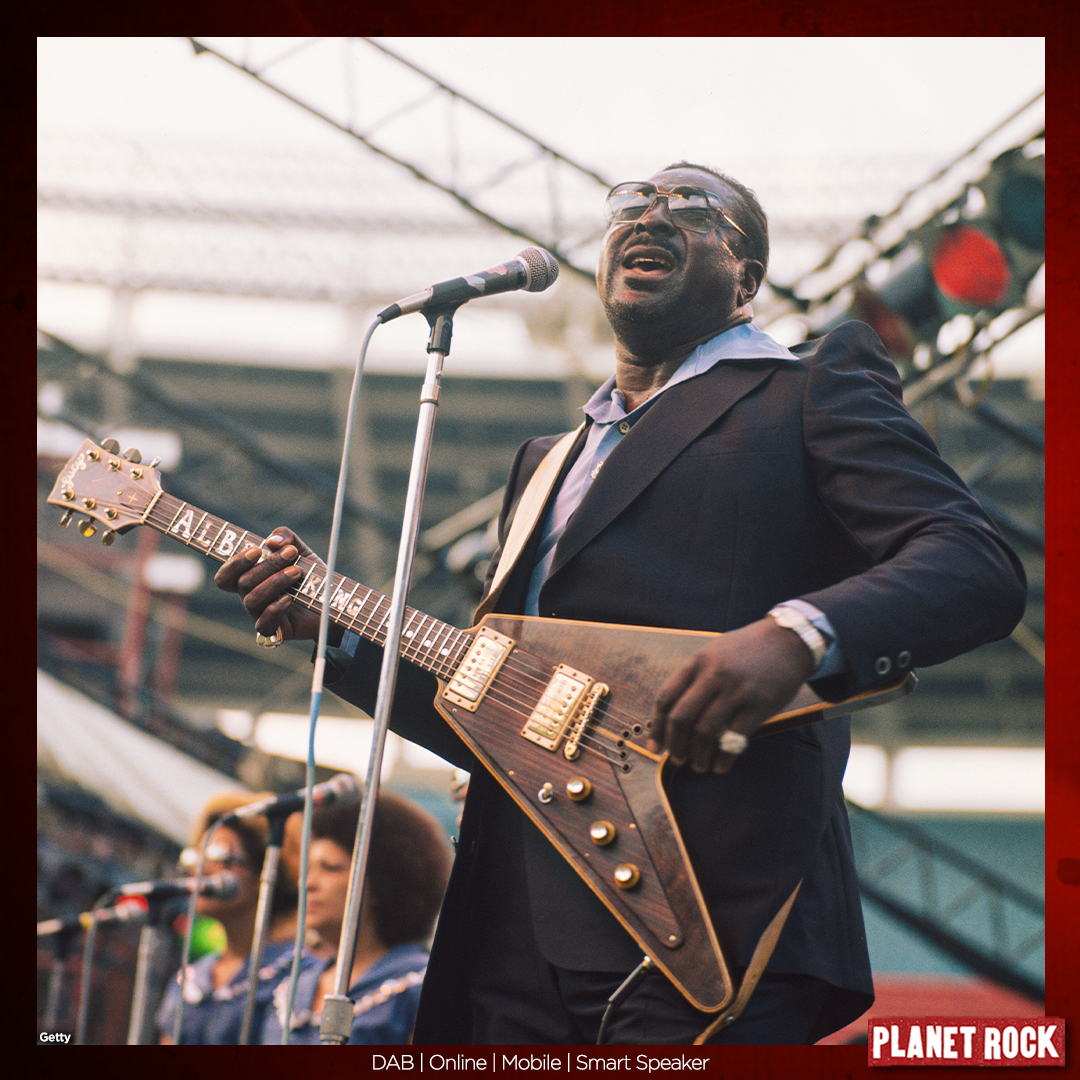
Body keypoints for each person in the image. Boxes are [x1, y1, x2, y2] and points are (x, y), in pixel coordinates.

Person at [214, 162, 1027, 1045]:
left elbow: (972, 565)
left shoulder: (808, 389)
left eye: (693, 209)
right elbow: (500, 711)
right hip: (514, 927)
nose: (651, 215)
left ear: (746, 279)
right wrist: (331, 636)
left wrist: (797, 634)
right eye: (631, 205)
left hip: (713, 907)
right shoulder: (543, 463)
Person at [260, 792, 451, 1044]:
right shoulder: (290, 987)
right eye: (308, 869)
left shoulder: (422, 988)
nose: (308, 884)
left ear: (380, 883)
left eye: (330, 868)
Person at [156, 792, 300, 1044]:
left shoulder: (296, 974)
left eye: (217, 855)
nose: (199, 868)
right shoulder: (191, 979)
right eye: (196, 855)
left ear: (264, 875)